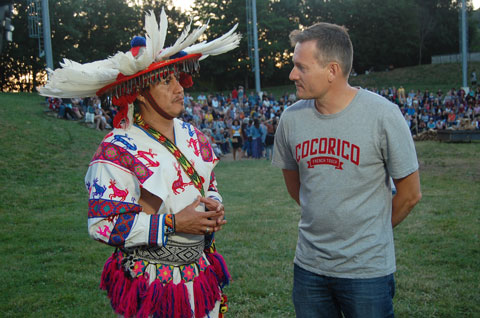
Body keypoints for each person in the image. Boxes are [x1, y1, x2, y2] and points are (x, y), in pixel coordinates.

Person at [39, 8, 240, 318]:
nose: (179, 88)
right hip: (152, 283)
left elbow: (208, 182)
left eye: (178, 78)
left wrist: (214, 203)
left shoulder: (193, 134)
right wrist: (173, 223)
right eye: (165, 82)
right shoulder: (117, 150)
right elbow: (103, 225)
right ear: (141, 93)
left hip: (200, 271)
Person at [272, 22, 422, 317]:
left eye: (301, 67)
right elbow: (294, 184)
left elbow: (410, 194)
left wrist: (369, 233)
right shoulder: (290, 119)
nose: (292, 75)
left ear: (332, 70)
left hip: (367, 272)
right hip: (309, 268)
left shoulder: (383, 115)